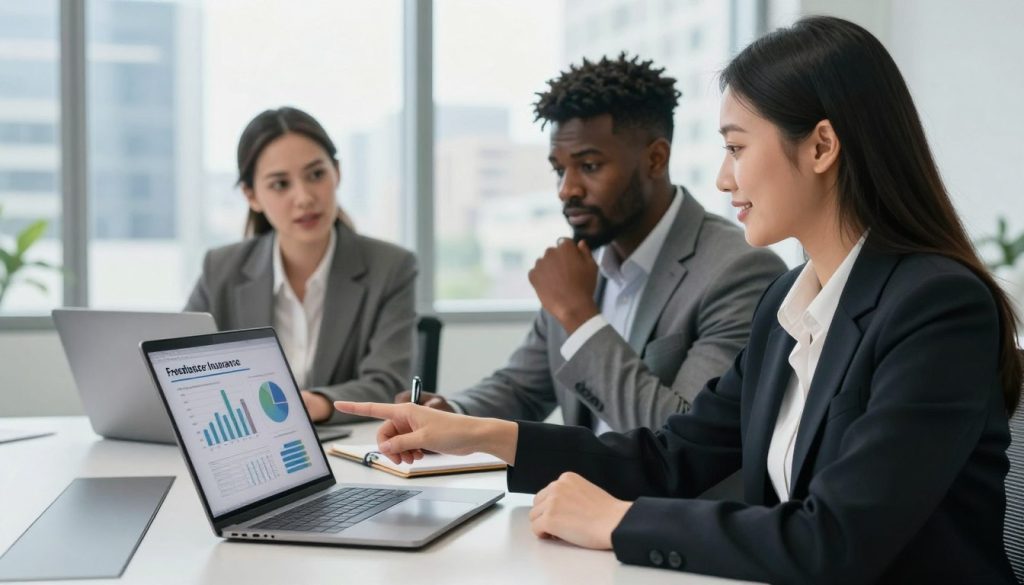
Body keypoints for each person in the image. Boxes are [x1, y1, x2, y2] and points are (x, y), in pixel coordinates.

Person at [339, 17, 1022, 583]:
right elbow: (672, 455)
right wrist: (473, 435)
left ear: (820, 146)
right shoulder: (791, 301)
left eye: (736, 147)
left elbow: (836, 539)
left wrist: (616, 520)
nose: (724, 178)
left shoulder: (937, 307)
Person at [398, 54, 785, 434]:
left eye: (589, 166)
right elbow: (522, 388)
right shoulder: (585, 262)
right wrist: (450, 411)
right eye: (559, 169)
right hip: (579, 492)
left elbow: (682, 436)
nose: (567, 189)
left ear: (655, 159)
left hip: (668, 499)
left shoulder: (739, 269)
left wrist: (579, 316)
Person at [186, 107, 417, 424]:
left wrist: (317, 403)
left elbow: (389, 383)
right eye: (280, 184)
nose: (305, 197)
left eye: (316, 175)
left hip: (346, 449)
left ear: (337, 172)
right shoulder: (221, 269)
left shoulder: (391, 267)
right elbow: (179, 372)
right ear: (251, 195)